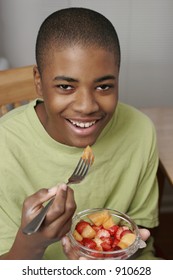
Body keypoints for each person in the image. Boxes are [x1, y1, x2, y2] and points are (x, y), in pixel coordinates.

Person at [0, 7, 159, 260]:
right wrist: (32, 244)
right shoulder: (5, 145)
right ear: (39, 82)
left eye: (104, 86)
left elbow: (141, 231)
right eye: (65, 86)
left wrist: (106, 258)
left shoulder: (140, 130)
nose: (86, 106)